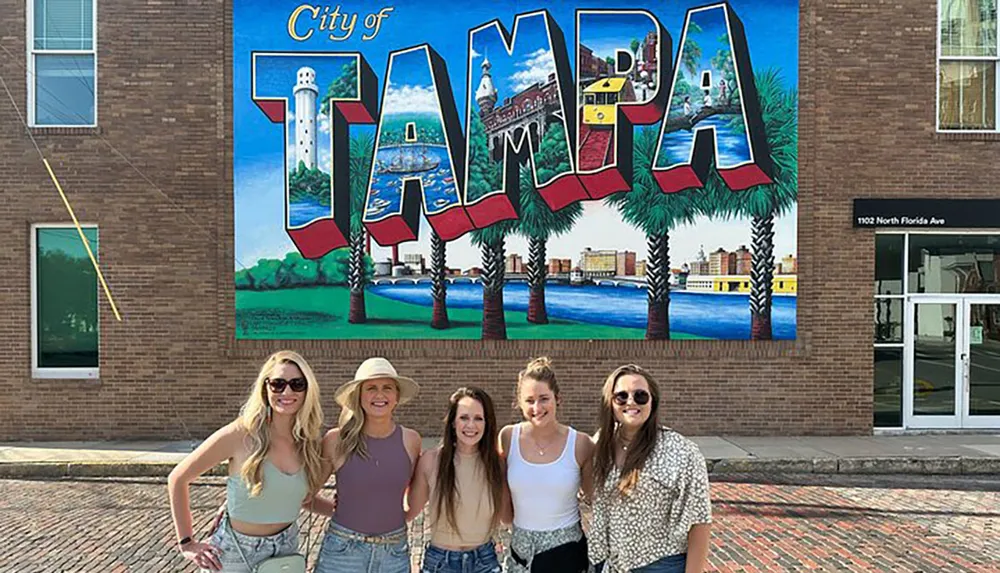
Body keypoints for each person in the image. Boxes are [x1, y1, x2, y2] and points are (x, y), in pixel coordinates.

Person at [167, 350, 326, 572]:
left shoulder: (308, 441)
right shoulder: (241, 433)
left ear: (307, 389)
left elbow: (303, 500)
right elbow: (178, 478)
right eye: (278, 384)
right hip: (236, 551)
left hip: (285, 548)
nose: (287, 391)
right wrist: (186, 542)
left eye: (297, 384)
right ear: (265, 388)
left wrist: (349, 512)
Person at [588, 364, 712, 573]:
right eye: (621, 396)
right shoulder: (601, 443)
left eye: (640, 396)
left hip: (660, 565)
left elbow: (700, 522)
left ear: (652, 401)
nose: (631, 402)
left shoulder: (681, 451)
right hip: (608, 564)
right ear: (610, 402)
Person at [314, 357, 423, 573]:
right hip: (342, 552)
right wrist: (337, 512)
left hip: (394, 553)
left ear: (396, 396)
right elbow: (305, 495)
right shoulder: (337, 440)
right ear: (359, 396)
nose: (380, 395)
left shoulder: (411, 440)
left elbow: (414, 498)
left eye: (387, 388)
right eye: (371, 388)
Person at [499, 357, 596, 573]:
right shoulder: (507, 437)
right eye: (530, 400)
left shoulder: (581, 443)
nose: (537, 407)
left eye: (544, 399)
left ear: (557, 399)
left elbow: (594, 496)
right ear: (520, 403)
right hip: (522, 553)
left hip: (567, 551)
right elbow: (505, 508)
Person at [406, 387, 511, 573]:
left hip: (484, 561)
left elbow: (508, 517)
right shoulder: (430, 461)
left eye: (478, 418)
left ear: (488, 423)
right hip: (440, 561)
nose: (471, 425)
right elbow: (408, 513)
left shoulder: (497, 465)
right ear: (453, 422)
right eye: (464, 418)